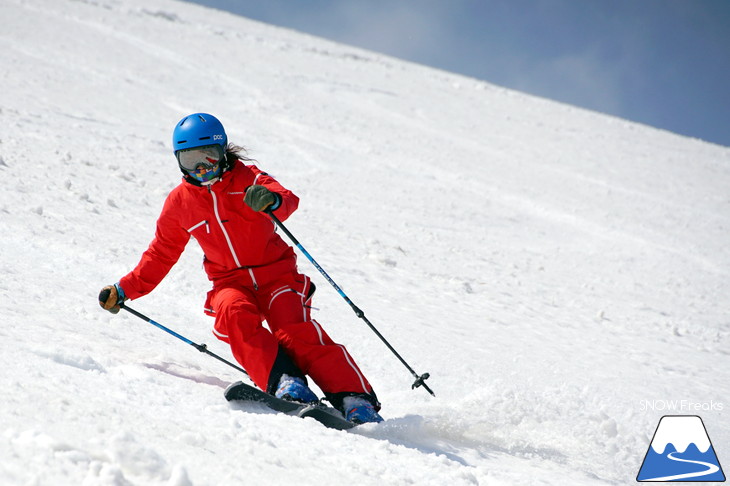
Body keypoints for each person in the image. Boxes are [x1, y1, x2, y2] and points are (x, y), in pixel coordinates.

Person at [99, 113, 382, 424]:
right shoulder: (180, 203)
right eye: (191, 160)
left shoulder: (248, 178)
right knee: (232, 312)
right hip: (229, 282)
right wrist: (125, 289)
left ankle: (355, 398)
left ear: (224, 152)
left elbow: (287, 199)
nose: (202, 168)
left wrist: (271, 201)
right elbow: (161, 253)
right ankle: (287, 383)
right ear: (178, 160)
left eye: (209, 157)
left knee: (292, 329)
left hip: (277, 275)